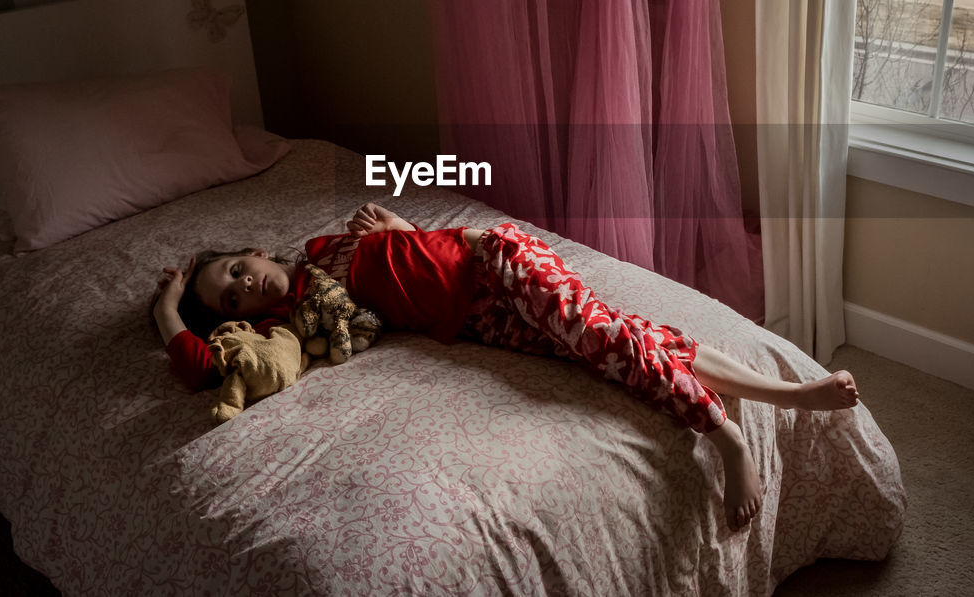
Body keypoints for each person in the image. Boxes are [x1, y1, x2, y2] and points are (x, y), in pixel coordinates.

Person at [152, 203, 859, 531]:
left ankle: (724, 434)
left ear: (260, 251)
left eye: (240, 268)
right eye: (230, 295)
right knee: (633, 339)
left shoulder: (321, 247)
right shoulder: (291, 324)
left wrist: (403, 230)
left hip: (492, 257)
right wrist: (173, 308)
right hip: (482, 322)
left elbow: (420, 253)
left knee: (601, 339)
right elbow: (199, 367)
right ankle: (792, 391)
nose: (245, 286)